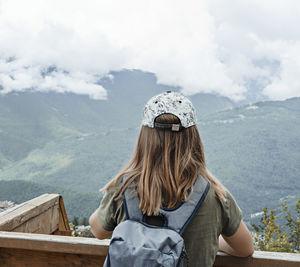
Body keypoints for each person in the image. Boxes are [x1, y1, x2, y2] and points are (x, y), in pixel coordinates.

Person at [89, 91, 254, 266]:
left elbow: (98, 230)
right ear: (193, 137)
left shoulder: (124, 188)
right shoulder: (217, 196)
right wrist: (214, 242)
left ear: (144, 138)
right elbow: (245, 249)